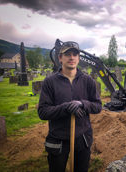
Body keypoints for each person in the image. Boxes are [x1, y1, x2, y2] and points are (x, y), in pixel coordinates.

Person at [38, 41, 102, 172]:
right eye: (67, 54)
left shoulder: (88, 80)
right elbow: (43, 112)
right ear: (60, 58)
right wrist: (65, 108)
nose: (71, 57)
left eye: (75, 54)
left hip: (82, 138)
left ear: (78, 58)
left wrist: (82, 104)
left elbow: (97, 106)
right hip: (58, 139)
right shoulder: (50, 82)